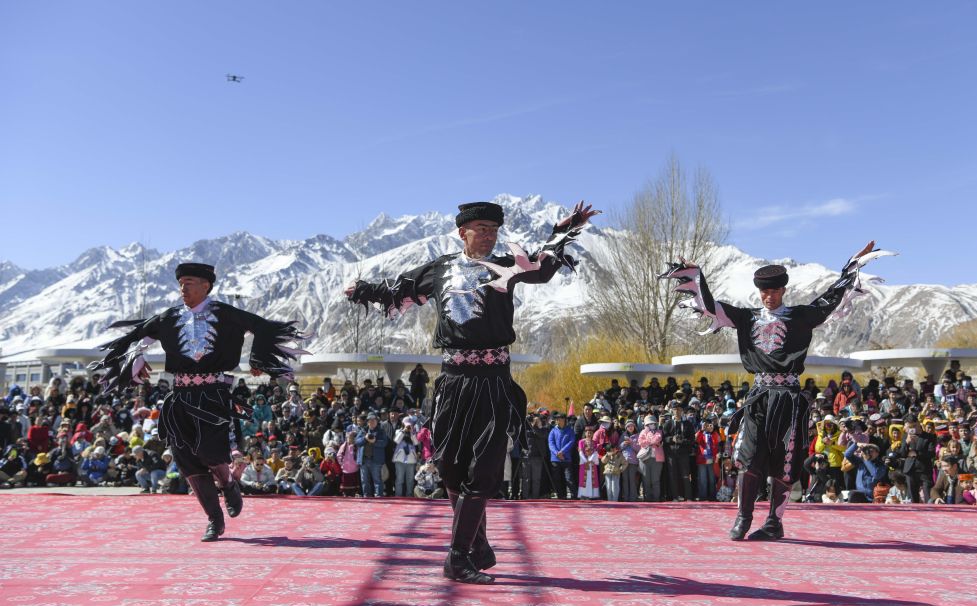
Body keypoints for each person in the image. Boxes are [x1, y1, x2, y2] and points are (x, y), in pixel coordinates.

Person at [345, 199, 599, 583]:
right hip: (452, 382)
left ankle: (457, 556)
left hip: (493, 381)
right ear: (462, 232)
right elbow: (399, 288)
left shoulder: (507, 265)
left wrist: (563, 231)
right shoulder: (440, 268)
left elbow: (543, 267)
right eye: (481, 229)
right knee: (451, 468)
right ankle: (477, 544)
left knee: (484, 468)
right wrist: (361, 290)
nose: (489, 235)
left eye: (494, 230)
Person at [662, 240, 888, 540]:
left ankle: (773, 522)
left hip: (788, 399)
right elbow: (711, 306)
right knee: (748, 456)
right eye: (764, 292)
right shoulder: (746, 317)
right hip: (758, 397)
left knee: (785, 460)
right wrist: (696, 275)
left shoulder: (800, 316)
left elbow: (831, 298)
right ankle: (743, 517)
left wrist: (852, 267)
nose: (769, 297)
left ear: (783, 290)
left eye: (774, 291)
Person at [90, 262, 308, 540]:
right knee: (185, 458)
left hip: (213, 394)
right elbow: (134, 338)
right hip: (179, 396)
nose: (183, 288)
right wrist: (135, 357)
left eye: (189, 282)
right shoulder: (169, 317)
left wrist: (259, 359)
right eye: (180, 283)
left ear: (206, 286)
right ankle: (214, 519)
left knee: (210, 452)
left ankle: (228, 483)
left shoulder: (225, 313)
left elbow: (262, 327)